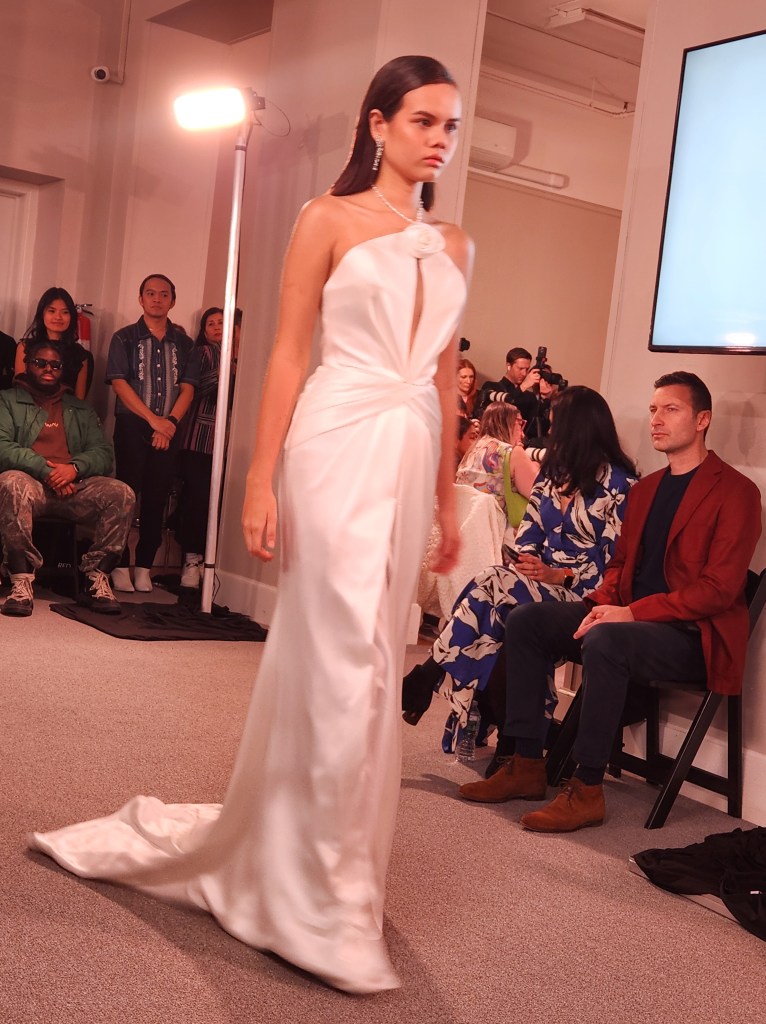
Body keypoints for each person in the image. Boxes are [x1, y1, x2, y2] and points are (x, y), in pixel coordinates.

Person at [31, 56, 472, 994]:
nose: (440, 139)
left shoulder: (456, 245)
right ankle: (319, 896)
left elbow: (442, 385)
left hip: (407, 452)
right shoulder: (327, 219)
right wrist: (261, 478)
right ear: (378, 123)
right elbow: (287, 356)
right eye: (424, 120)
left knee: (373, 656)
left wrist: (444, 499)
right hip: (336, 440)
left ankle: (331, 864)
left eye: (451, 126)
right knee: (340, 648)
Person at [458, 372, 762, 833]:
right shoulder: (647, 489)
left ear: (703, 420)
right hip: (631, 621)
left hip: (692, 636)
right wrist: (599, 604)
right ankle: (526, 763)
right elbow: (620, 567)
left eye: (671, 410)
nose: (657, 419)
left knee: (606, 640)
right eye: (654, 409)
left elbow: (718, 589)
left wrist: (631, 613)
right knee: (528, 620)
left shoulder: (736, 492)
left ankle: (586, 788)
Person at [402, 386, 638, 739]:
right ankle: (512, 739)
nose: (551, 434)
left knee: (495, 587)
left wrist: (560, 575)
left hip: (584, 595)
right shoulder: (551, 477)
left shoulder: (620, 487)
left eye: (557, 426)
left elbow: (614, 562)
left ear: (580, 429)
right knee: (498, 605)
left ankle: (431, 674)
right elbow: (528, 533)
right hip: (534, 584)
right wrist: (527, 561)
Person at [0, 341, 135, 615]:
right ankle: (20, 583)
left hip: (74, 487)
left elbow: (103, 453)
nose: (48, 369)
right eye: (40, 363)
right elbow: (3, 446)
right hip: (31, 485)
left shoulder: (79, 408)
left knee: (122, 493)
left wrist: (73, 469)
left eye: (55, 365)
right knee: (11, 483)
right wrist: (48, 472)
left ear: (62, 370)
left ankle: (96, 579)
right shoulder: (8, 400)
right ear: (28, 365)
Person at [105, 274, 199, 594]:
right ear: (140, 299)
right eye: (150, 293)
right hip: (132, 426)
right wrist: (153, 420)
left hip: (170, 429)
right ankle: (119, 564)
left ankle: (144, 566)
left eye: (163, 294)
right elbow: (120, 384)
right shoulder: (124, 338)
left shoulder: (186, 344)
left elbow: (188, 389)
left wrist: (168, 423)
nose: (157, 299)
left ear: (173, 300)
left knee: (157, 499)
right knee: (126, 496)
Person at [176, 306, 230, 588]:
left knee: (216, 502)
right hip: (198, 438)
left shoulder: (238, 356)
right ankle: (191, 559)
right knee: (196, 500)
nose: (217, 327)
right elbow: (193, 389)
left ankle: (206, 560)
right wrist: (227, 372)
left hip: (225, 442)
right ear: (204, 330)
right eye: (211, 324)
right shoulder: (203, 353)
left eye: (222, 322)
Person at [455, 401, 537, 526]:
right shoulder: (510, 452)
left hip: (467, 527)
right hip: (499, 531)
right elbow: (540, 496)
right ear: (509, 422)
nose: (523, 433)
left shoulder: (472, 450)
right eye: (520, 423)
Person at [15, 288, 90, 399]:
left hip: (66, 409)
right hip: (28, 408)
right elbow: (19, 391)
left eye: (65, 312)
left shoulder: (80, 354)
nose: (58, 317)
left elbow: (79, 400)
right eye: (52, 311)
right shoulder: (25, 347)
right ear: (42, 314)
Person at [473, 345, 540, 425]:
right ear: (508, 366)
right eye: (520, 368)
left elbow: (534, 426)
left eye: (527, 369)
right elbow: (503, 407)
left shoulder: (529, 396)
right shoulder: (491, 387)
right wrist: (523, 386)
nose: (524, 373)